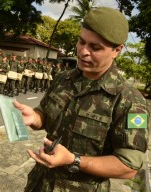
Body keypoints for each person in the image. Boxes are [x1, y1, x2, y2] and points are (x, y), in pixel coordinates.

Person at [14, 7, 149, 192]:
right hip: (39, 183)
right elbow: (44, 115)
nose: (83, 51)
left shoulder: (130, 102)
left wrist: (74, 160)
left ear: (117, 50)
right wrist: (34, 117)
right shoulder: (63, 79)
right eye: (81, 41)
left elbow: (129, 166)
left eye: (95, 47)